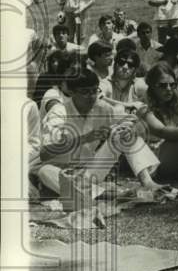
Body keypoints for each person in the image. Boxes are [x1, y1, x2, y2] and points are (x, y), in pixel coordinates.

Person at [35, 68, 166, 207]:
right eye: (85, 92)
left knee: (124, 133)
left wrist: (123, 128)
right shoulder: (59, 111)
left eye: (94, 91)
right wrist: (85, 138)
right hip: (61, 173)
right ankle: (109, 195)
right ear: (72, 92)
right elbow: (45, 154)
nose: (91, 96)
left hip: (89, 172)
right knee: (44, 171)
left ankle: (148, 182)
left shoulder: (101, 108)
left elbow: (129, 120)